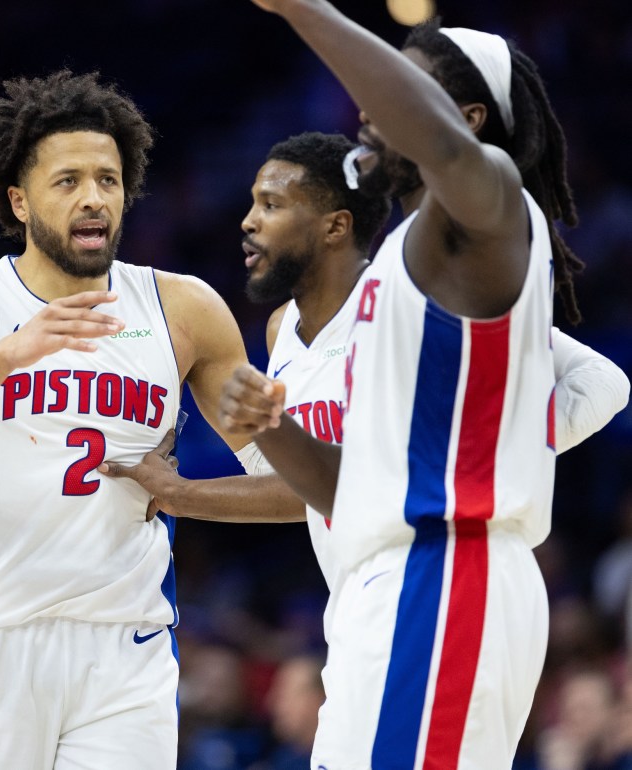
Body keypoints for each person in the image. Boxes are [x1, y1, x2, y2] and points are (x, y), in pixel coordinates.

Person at [219, 2, 607, 767]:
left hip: (447, 570)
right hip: (382, 584)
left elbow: (606, 384)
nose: (370, 100)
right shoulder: (397, 267)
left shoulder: (490, 207)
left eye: (407, 80)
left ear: (463, 118)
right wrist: (273, 427)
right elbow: (347, 489)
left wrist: (306, 9)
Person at [105, 131, 627, 642]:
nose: (248, 222)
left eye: (271, 205)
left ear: (335, 227)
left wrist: (476, 458)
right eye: (252, 203)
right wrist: (208, 432)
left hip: (438, 596)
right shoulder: (280, 328)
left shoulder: (423, 303)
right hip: (358, 608)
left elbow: (603, 381)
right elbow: (304, 486)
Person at [0, 69, 253, 768]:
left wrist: (184, 496)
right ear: (18, 200)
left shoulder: (182, 308)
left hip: (129, 642)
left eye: (108, 180)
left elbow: (290, 480)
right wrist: (3, 360)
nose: (93, 199)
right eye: (69, 181)